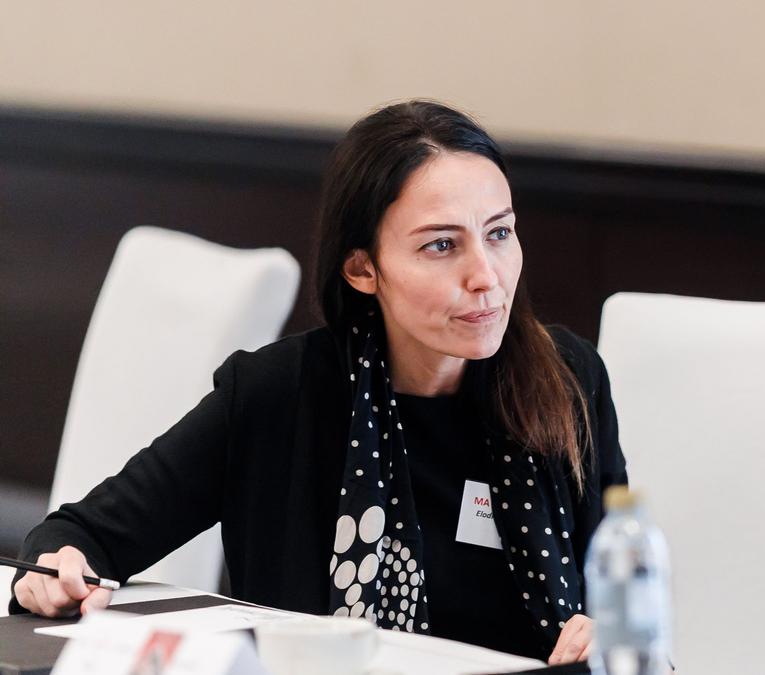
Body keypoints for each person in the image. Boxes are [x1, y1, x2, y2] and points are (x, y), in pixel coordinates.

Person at [10, 100, 626, 664]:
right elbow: (81, 534)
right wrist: (58, 567)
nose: (486, 276)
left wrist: (612, 629)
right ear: (362, 269)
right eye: (442, 246)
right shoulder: (280, 395)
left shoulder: (567, 380)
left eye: (499, 233)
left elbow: (621, 585)